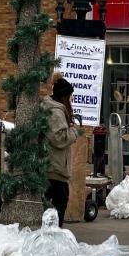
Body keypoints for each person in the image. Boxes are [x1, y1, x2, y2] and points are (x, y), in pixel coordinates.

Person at [43, 76, 81, 227]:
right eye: (70, 96)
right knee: (60, 203)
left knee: (51, 205)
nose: (71, 99)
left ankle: (50, 233)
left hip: (51, 165)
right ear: (64, 96)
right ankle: (55, 235)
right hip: (55, 168)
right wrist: (75, 133)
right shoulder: (56, 111)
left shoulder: (51, 108)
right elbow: (58, 138)